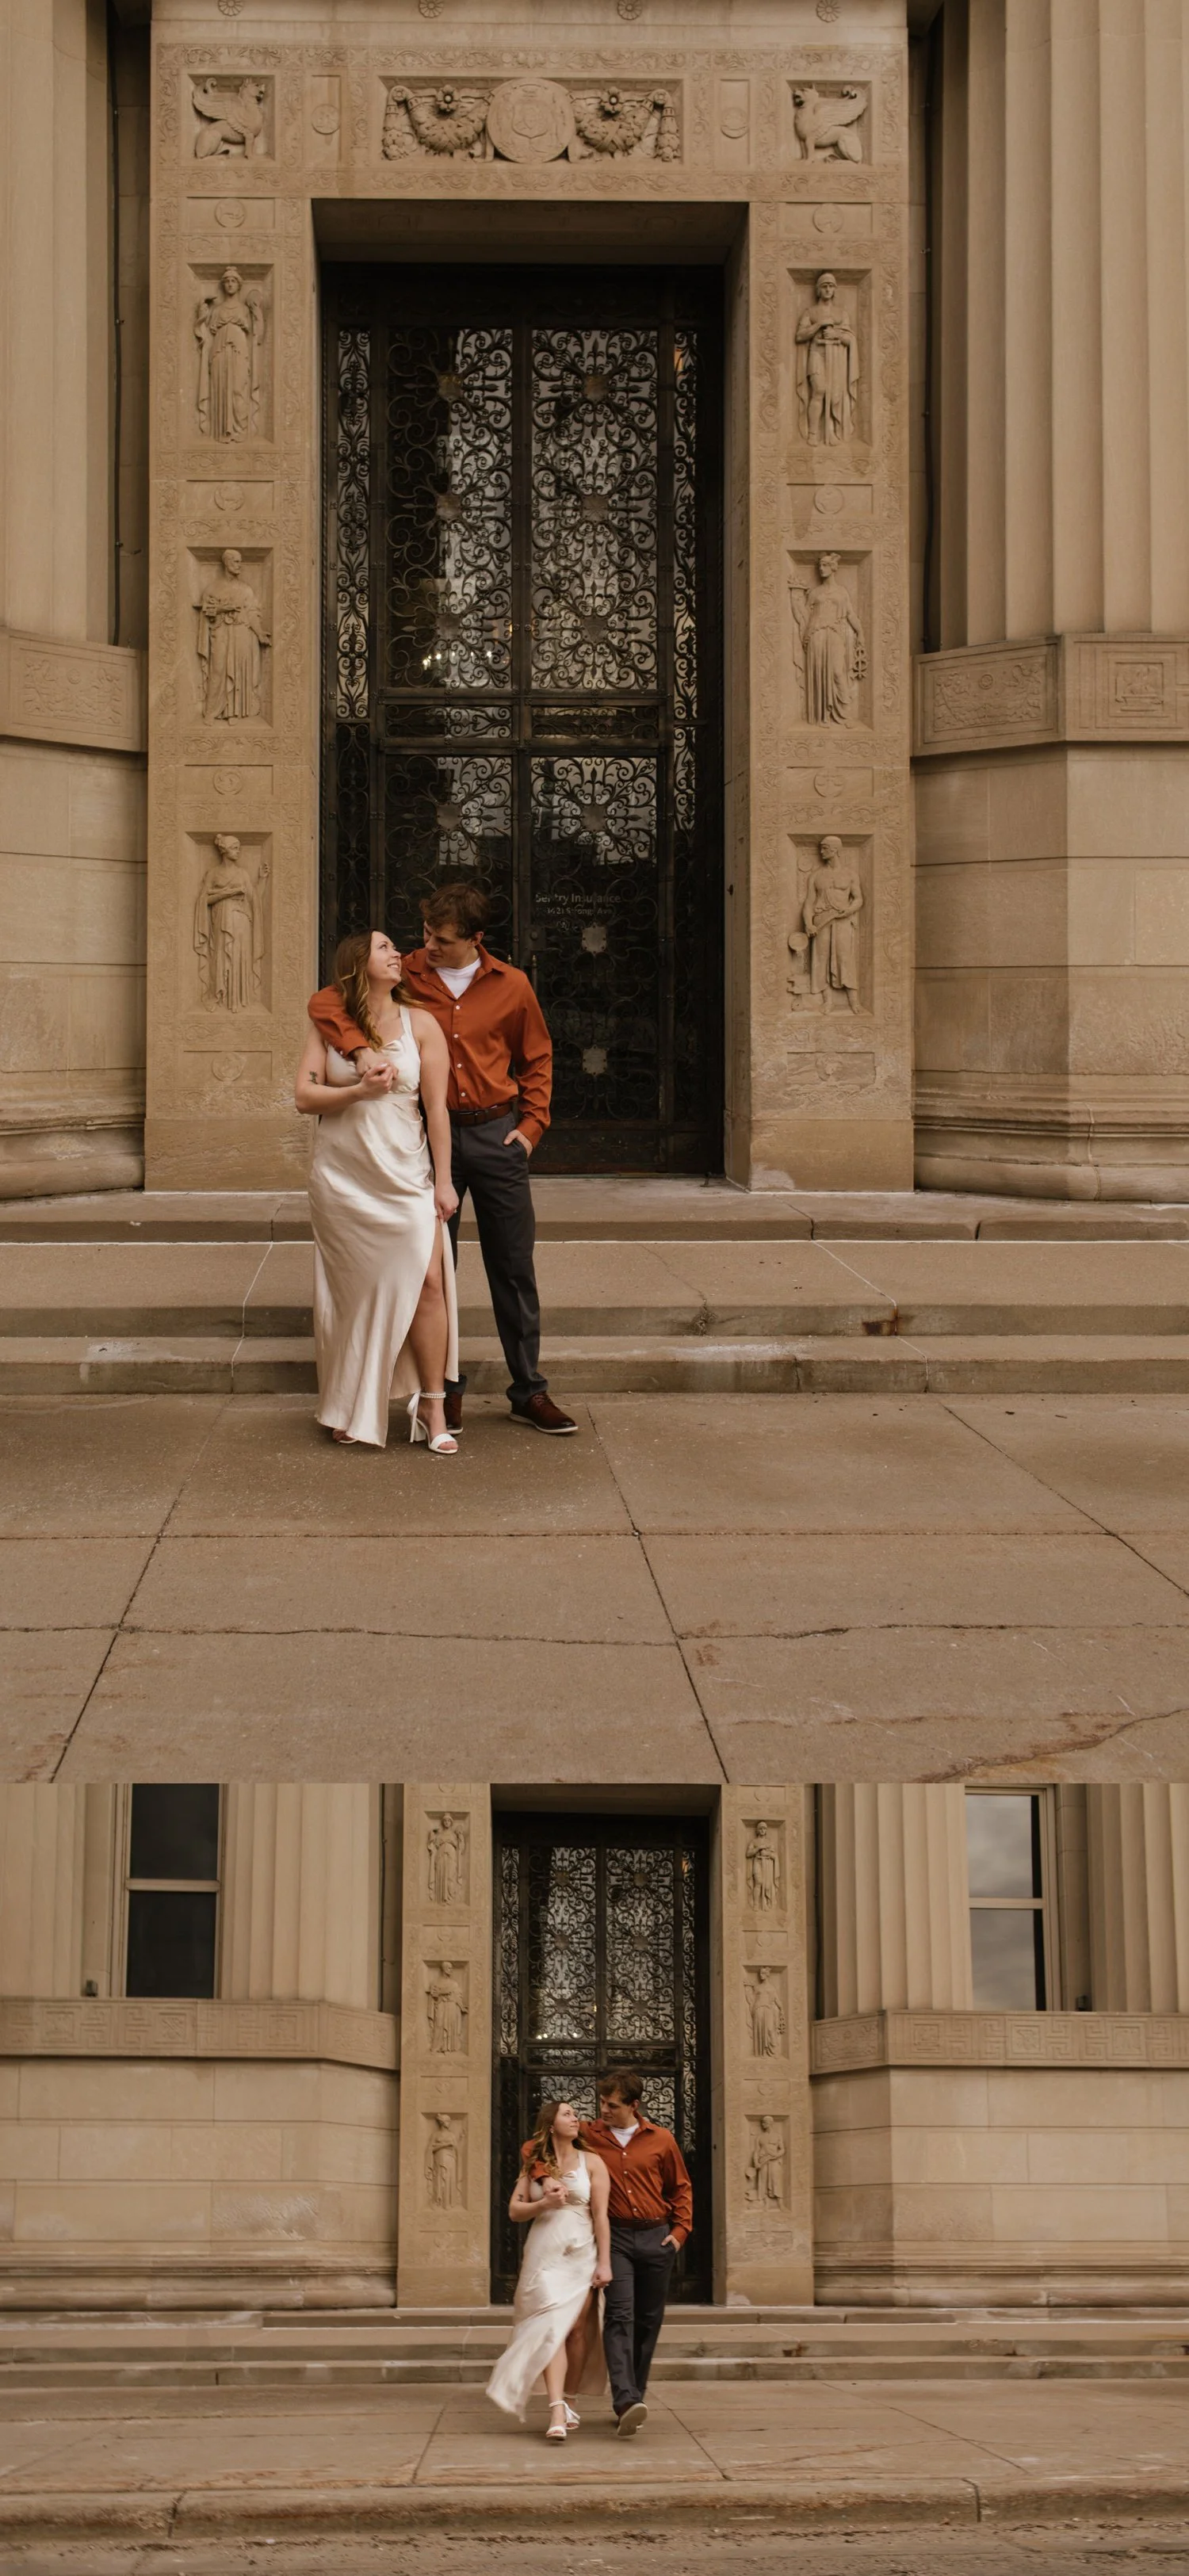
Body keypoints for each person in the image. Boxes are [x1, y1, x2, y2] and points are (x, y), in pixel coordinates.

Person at [307, 881, 576, 1436]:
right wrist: (360, 1051)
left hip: (497, 1135)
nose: (427, 946)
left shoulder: (512, 985)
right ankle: (443, 1392)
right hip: (427, 1141)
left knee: (513, 1266)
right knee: (432, 1272)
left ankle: (528, 1390)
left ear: (475, 939)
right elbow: (326, 1002)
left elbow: (537, 1056)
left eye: (442, 939)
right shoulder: (406, 971)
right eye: (426, 934)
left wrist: (530, 1129)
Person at [294, 928, 460, 1452]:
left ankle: (433, 1406)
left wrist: (444, 1181)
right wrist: (357, 1091)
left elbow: (436, 1110)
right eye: (384, 947)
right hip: (343, 1180)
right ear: (357, 961)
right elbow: (304, 1096)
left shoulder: (421, 1024)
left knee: (429, 1283)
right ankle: (349, 1403)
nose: (396, 954)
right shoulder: (328, 1021)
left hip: (406, 1175)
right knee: (352, 1294)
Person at [487, 2100, 611, 2441]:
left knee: (576, 2332)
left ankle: (570, 2398)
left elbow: (601, 2216)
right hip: (544, 2256)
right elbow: (515, 2210)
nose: (575, 2118)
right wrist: (544, 2203)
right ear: (551, 2123)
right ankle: (556, 2409)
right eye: (567, 2113)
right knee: (552, 2327)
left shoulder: (593, 2162)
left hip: (581, 2254)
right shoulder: (535, 2166)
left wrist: (604, 2262)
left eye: (575, 2114)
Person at [582, 2068, 693, 2437]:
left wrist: (679, 2233)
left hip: (656, 2238)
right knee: (619, 2315)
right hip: (615, 2239)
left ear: (634, 2105)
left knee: (648, 2322)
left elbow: (680, 2187)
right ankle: (625, 2400)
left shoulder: (661, 2139)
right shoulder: (589, 2135)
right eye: (602, 2102)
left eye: (612, 2105)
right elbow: (536, 2147)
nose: (604, 2110)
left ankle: (634, 2399)